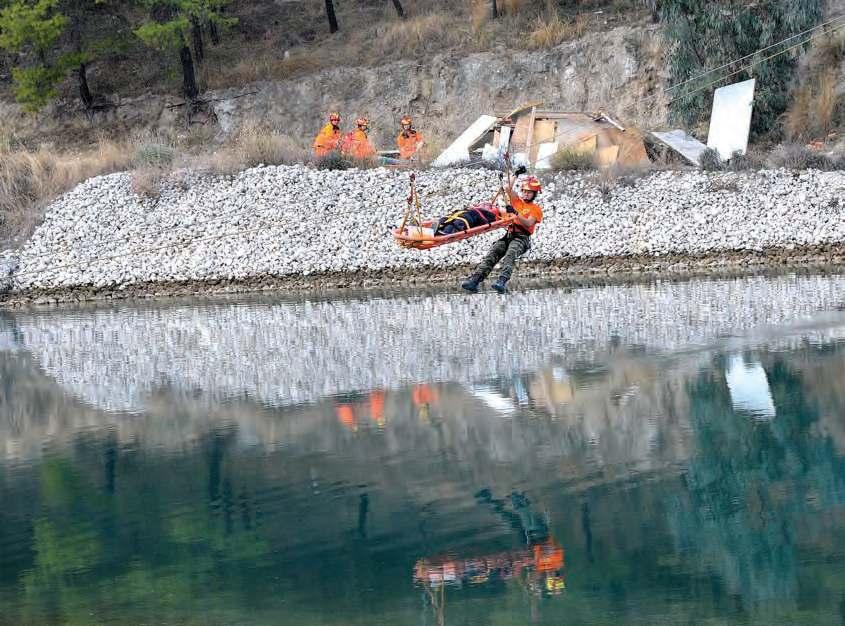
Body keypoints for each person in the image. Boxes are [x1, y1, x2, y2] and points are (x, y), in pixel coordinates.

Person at [461, 171, 543, 294]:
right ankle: (475, 280)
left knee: (511, 253)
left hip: (522, 238)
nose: (526, 194)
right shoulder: (517, 201)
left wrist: (515, 213)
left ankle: (502, 281)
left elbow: (528, 223)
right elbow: (507, 188)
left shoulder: (536, 209)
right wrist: (516, 174)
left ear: (534, 194)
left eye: (529, 192)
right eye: (524, 191)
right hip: (509, 235)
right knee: (493, 252)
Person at [434, 202, 502, 236]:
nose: (484, 204)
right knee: (448, 218)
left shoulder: (488, 214)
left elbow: (488, 222)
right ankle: (438, 226)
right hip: (463, 214)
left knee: (459, 222)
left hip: (469, 218)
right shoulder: (475, 208)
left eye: (487, 205)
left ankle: (446, 231)